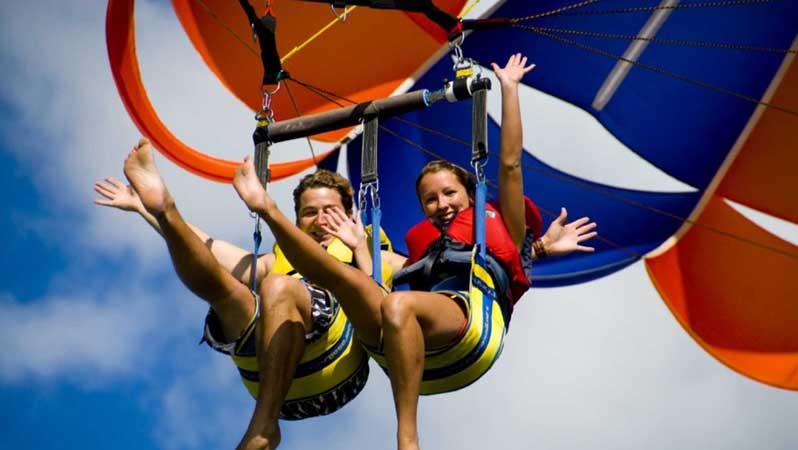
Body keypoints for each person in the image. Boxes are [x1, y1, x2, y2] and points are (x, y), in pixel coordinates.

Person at [231, 53, 597, 450]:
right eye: (429, 200)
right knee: (343, 277)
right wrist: (358, 248)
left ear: (470, 193)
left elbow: (509, 165)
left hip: (472, 326)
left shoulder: (498, 220)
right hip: (404, 340)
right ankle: (265, 428)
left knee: (397, 307)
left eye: (449, 194)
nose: (441, 204)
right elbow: (379, 284)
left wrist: (509, 90)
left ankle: (407, 441)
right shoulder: (422, 245)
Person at [94, 139, 392, 450]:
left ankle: (264, 427)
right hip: (274, 381)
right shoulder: (275, 263)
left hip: (337, 376)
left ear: (350, 216)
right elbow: (208, 246)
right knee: (226, 293)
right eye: (309, 213)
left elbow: (398, 294)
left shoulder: (369, 251)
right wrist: (147, 209)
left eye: (330, 211)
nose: (320, 221)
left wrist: (361, 250)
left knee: (277, 286)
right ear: (298, 222)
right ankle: (165, 207)